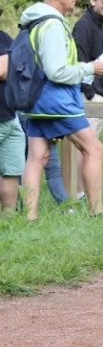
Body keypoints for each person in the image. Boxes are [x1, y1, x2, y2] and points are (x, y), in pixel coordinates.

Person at [19, 0, 103, 220]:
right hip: (56, 101)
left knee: (37, 157)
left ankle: (29, 217)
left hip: (36, 100)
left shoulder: (35, 20)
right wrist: (90, 68)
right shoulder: (52, 25)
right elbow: (56, 71)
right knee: (94, 149)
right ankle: (96, 213)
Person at [72, 0, 103, 192]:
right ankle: (81, 194)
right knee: (89, 148)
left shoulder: (98, 25)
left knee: (91, 147)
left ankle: (83, 193)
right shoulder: (84, 26)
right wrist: (90, 93)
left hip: (99, 93)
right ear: (92, 1)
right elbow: (79, 61)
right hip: (90, 96)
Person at [0, 25, 26, 214]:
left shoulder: (4, 38)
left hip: (10, 116)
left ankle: (9, 220)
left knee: (12, 170)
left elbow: (21, 66)